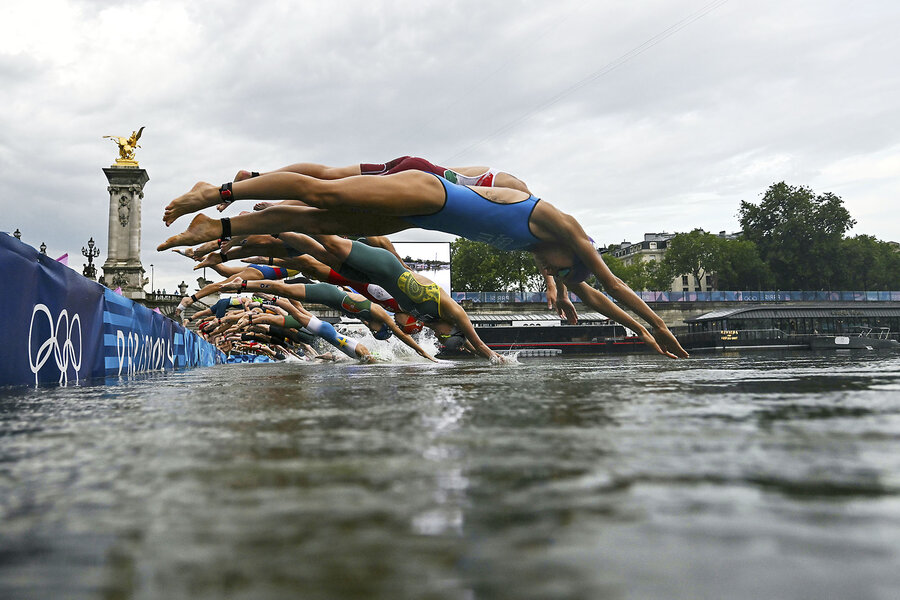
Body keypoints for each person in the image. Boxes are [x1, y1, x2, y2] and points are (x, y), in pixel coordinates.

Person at [159, 168, 688, 359]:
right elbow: (613, 283)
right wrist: (659, 325)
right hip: (431, 191)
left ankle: (222, 229)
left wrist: (638, 334)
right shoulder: (563, 226)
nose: (559, 274)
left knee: (320, 223)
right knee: (322, 194)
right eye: (564, 272)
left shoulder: (553, 258)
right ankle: (219, 193)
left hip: (424, 217)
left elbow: (597, 295)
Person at [220, 276, 438, 362]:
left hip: (332, 306)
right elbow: (400, 334)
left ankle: (259, 295)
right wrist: (424, 353)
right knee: (289, 300)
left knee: (293, 305)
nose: (371, 331)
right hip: (330, 297)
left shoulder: (369, 318)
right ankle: (248, 285)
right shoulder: (379, 314)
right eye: (375, 331)